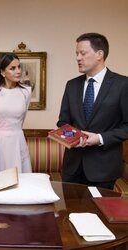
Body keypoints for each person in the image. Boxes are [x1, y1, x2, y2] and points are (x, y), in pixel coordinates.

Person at [57, 32, 128, 189]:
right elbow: (63, 121)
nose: (78, 58)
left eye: (83, 53)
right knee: (71, 213)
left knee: (99, 213)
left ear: (99, 54)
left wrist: (100, 138)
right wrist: (73, 137)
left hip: (104, 169)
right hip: (72, 168)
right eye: (76, 54)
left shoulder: (123, 85)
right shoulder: (72, 85)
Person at [0, 53, 32, 178]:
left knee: (20, 183)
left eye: (19, 67)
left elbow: (21, 119)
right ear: (2, 72)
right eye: (12, 68)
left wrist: (13, 132)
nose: (18, 71)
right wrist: (0, 136)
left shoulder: (26, 91)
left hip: (17, 141)